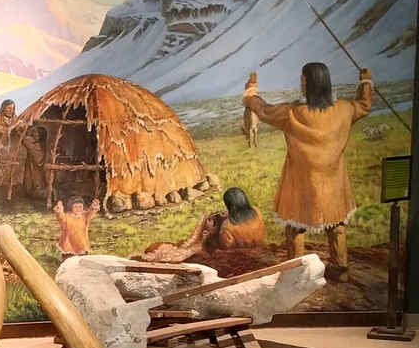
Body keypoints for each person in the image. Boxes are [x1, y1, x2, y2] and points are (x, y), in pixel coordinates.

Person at [244, 64, 373, 277]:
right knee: (337, 223)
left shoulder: (292, 113)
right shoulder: (344, 109)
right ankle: (340, 269)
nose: (301, 82)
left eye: (302, 79)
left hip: (301, 181)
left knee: (296, 227)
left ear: (307, 82)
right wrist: (366, 81)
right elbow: (365, 104)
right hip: (332, 180)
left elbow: (263, 110)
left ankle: (298, 272)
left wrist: (251, 91)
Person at [135, 186, 266, 263]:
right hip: (256, 246)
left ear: (229, 206)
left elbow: (226, 248)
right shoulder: (256, 212)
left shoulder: (227, 227)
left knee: (190, 247)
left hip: (237, 254)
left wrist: (210, 232)